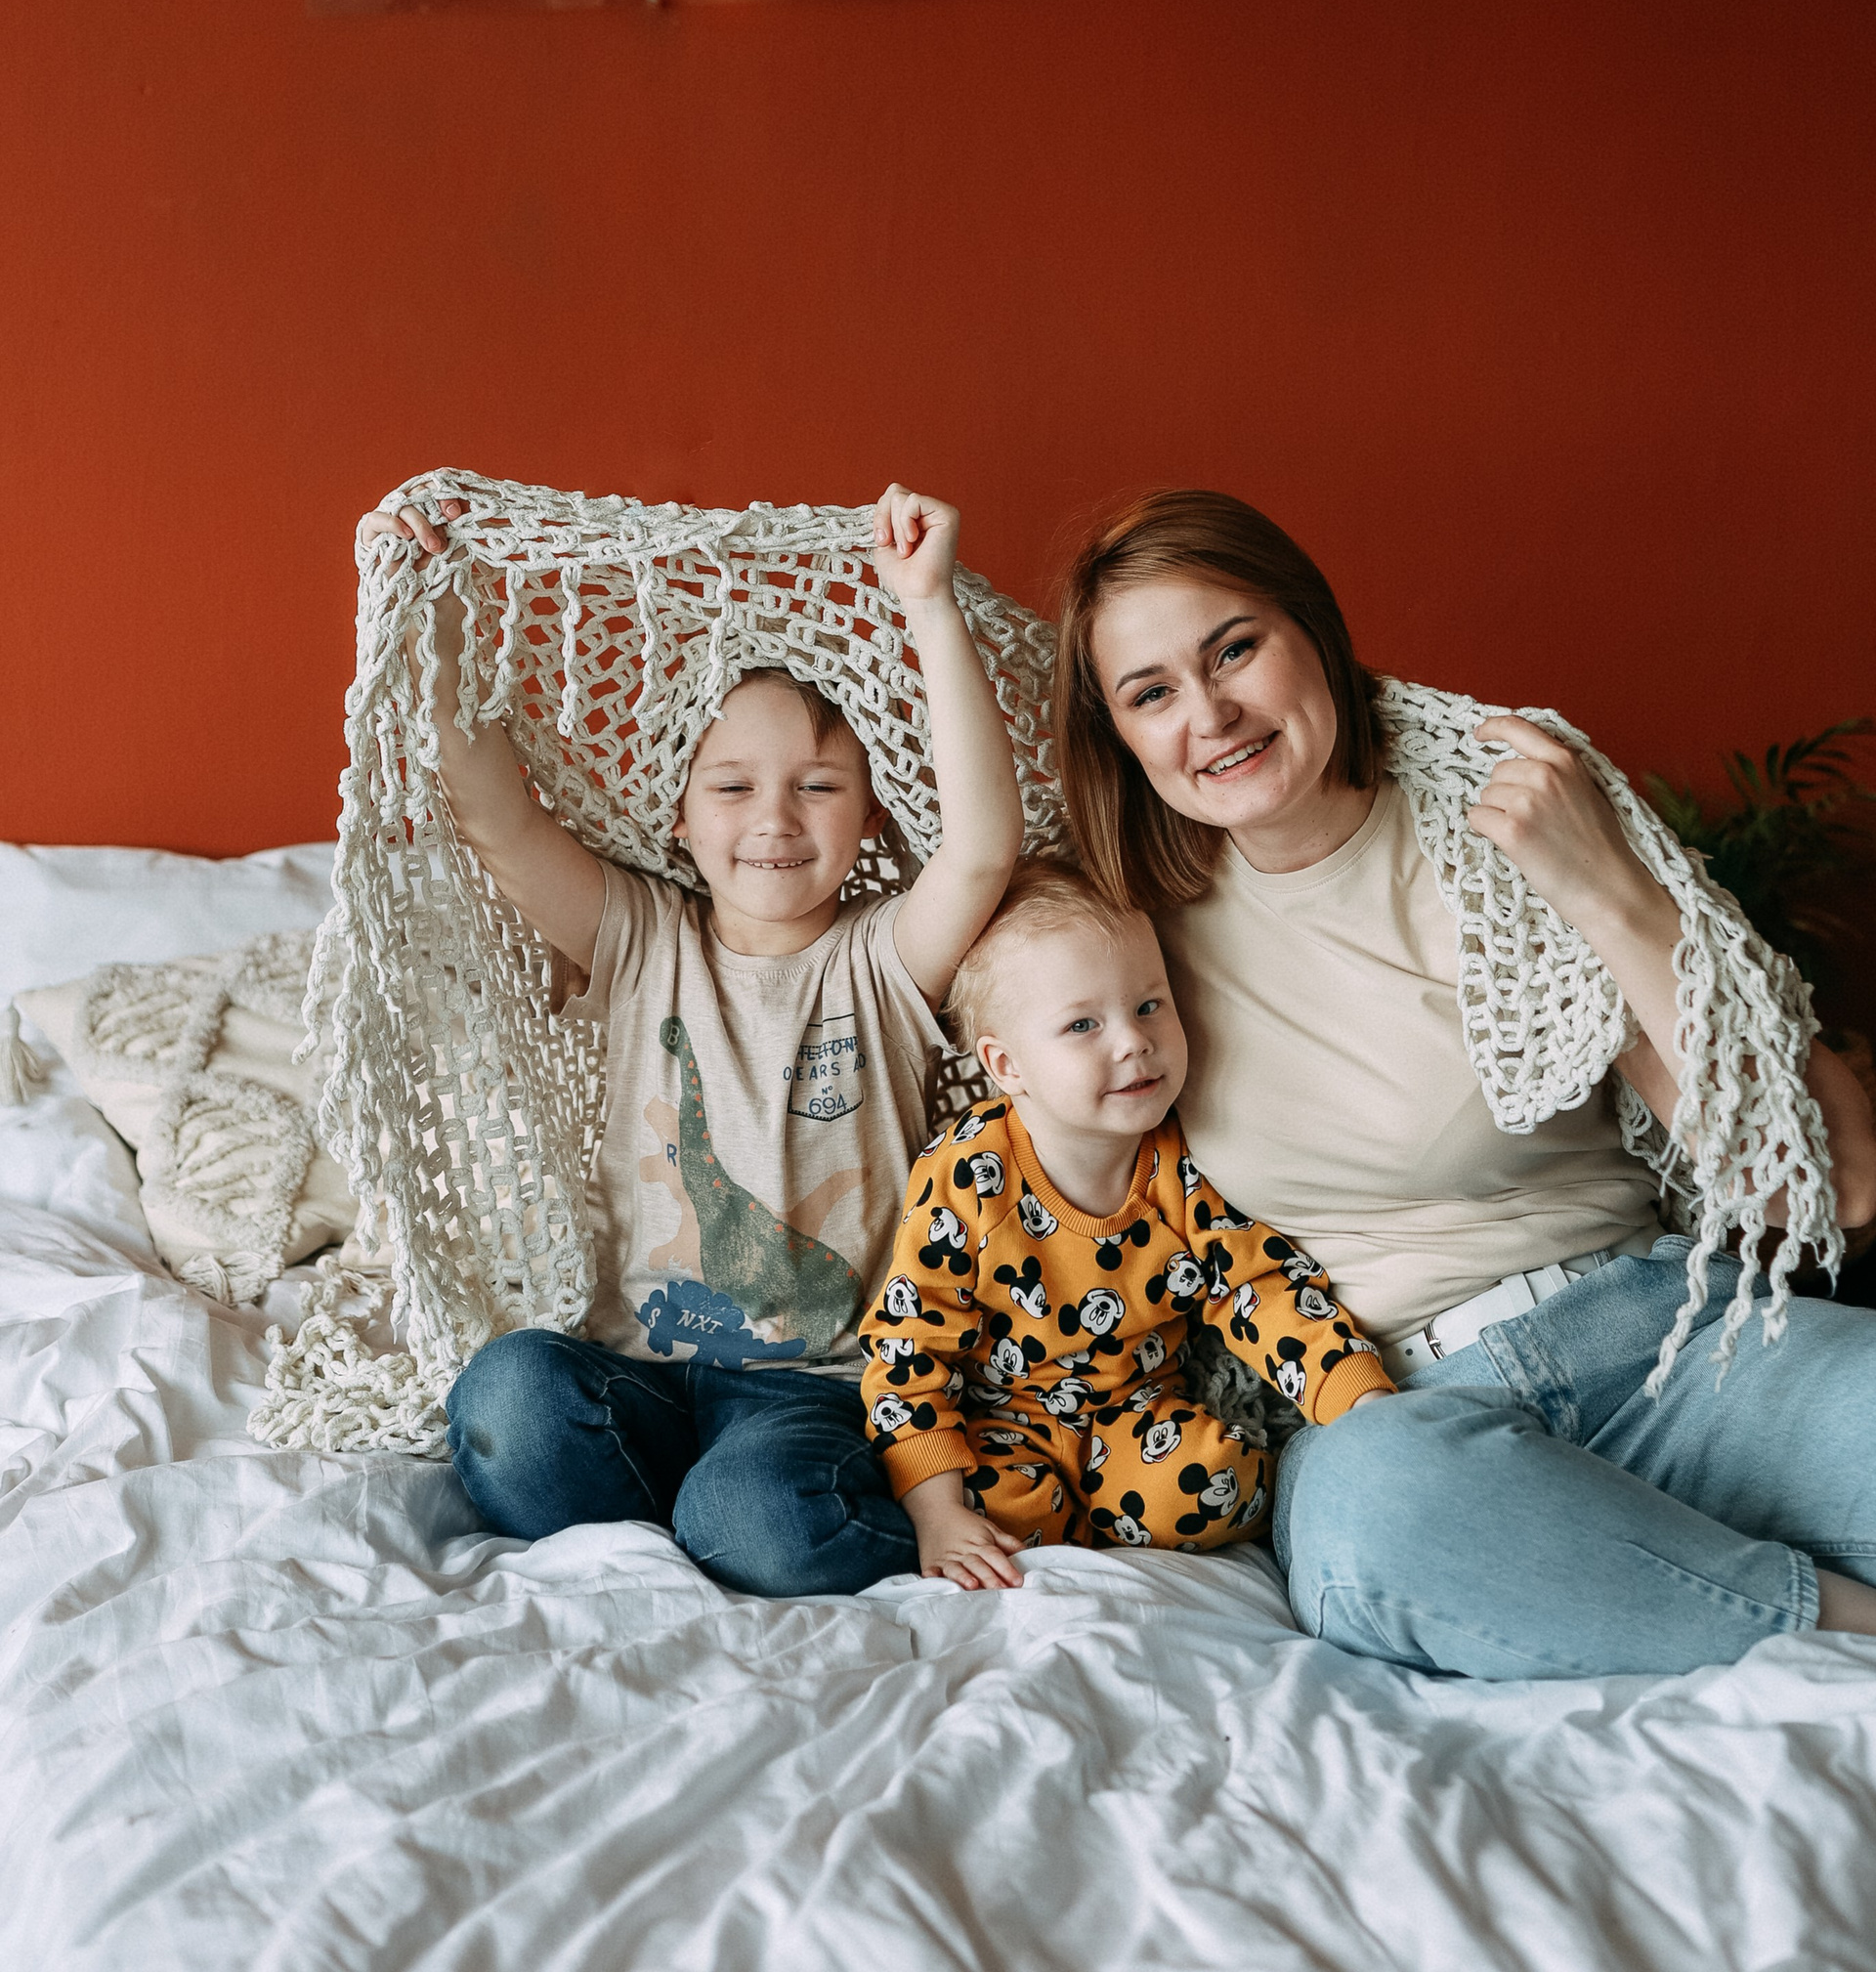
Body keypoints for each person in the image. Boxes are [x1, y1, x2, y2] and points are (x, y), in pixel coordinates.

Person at [1051, 488, 1876, 1679]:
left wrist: (1608, 888)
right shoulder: (1119, 933)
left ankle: (1649, 1586)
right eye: (1151, 693)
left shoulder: (1511, 810)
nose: (1211, 714)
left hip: (1678, 1348)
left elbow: (1827, 1189)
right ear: (1121, 736)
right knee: (1379, 1522)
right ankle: (1827, 1631)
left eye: (1233, 648)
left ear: (1313, 629)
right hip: (1398, 1409)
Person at [364, 481, 1023, 1597]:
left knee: (761, 1522)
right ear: (679, 813)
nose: (774, 819)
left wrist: (928, 606)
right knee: (506, 1401)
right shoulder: (636, 936)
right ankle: (681, 1519)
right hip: (643, 1376)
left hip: (819, 1385)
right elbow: (496, 817)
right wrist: (430, 619)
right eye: (733, 786)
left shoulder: (883, 961)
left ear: (870, 815)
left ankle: (746, 1514)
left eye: (819, 786)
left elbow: (983, 850)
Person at [860, 861, 1391, 1590]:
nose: (1133, 1041)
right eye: (1083, 1025)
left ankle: (1115, 1522)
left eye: (1148, 1006)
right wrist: (936, 1510)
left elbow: (1258, 1290)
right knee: (992, 1516)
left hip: (1136, 1414)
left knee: (1217, 1483)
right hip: (1002, 1420)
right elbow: (909, 1344)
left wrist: (1358, 1398)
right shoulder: (968, 1174)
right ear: (1007, 1065)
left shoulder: (1185, 1161)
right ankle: (1042, 1527)